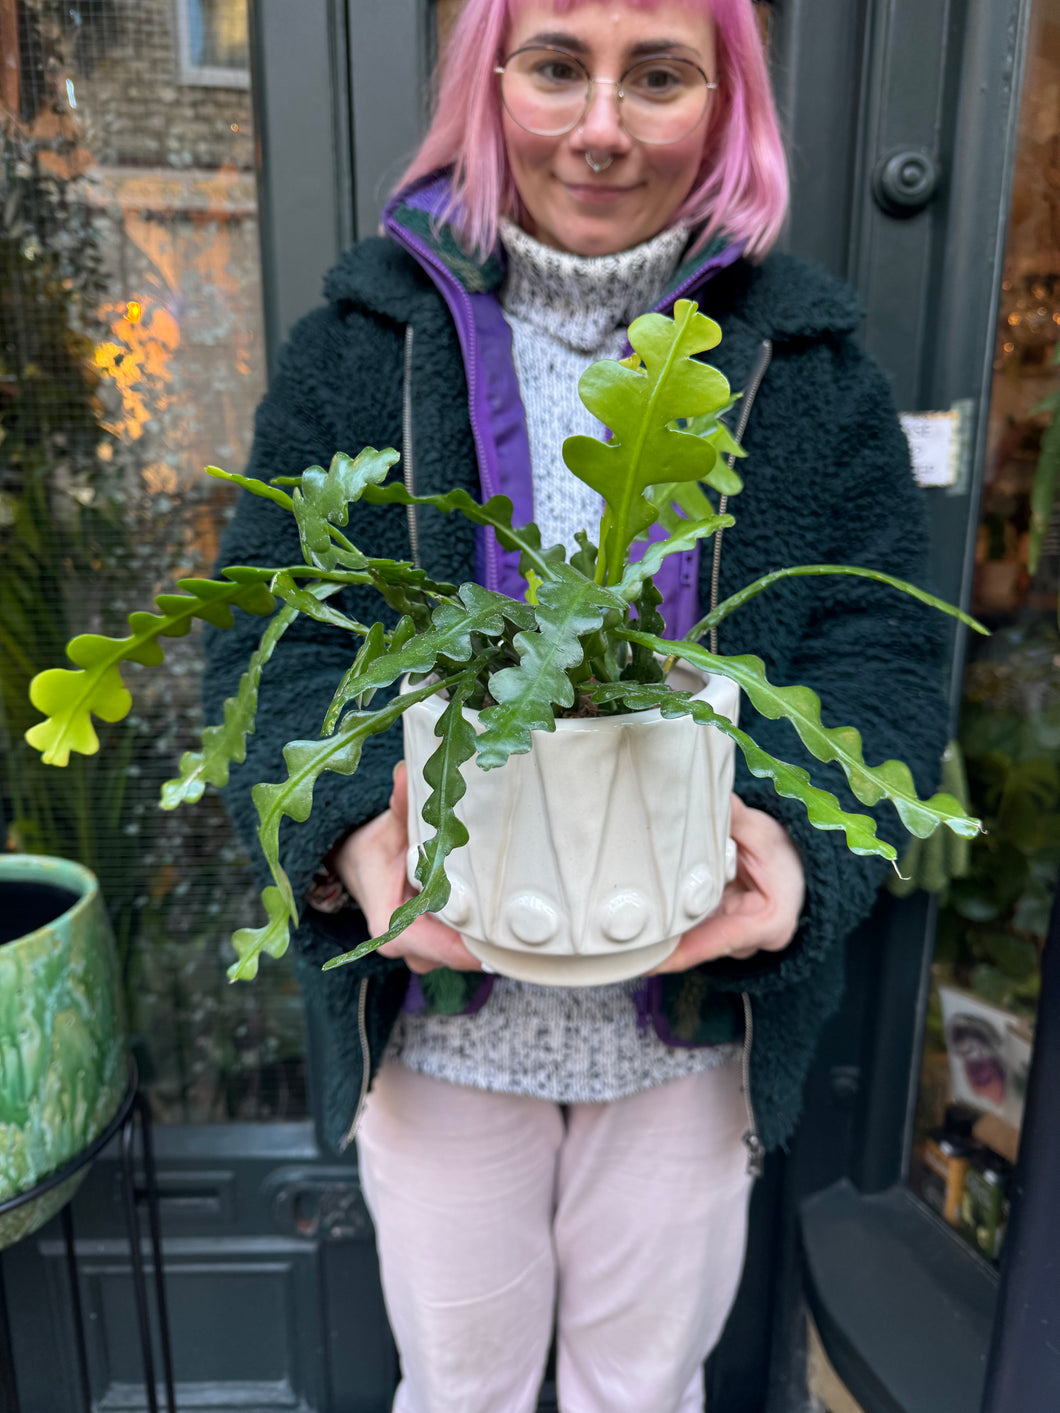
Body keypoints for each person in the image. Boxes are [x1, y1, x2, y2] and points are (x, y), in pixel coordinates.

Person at [204, 1, 948, 1408]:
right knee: (458, 1389)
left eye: (657, 75)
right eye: (557, 67)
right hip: (440, 1022)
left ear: (725, 103)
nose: (601, 126)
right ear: (492, 86)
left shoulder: (812, 370)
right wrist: (359, 833)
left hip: (692, 1025)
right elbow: (268, 633)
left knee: (644, 1391)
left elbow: (881, 661)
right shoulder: (365, 340)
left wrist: (801, 850)